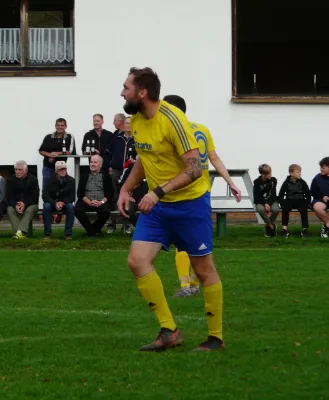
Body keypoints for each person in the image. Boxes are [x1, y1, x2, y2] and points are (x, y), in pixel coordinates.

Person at [118, 67, 224, 352]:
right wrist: (126, 188)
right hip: (160, 208)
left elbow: (194, 169)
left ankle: (215, 337)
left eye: (126, 87)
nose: (122, 92)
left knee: (203, 270)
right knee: (137, 261)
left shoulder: (173, 119)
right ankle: (169, 331)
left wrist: (156, 191)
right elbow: (144, 158)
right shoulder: (136, 119)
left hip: (190, 205)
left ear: (142, 93)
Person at [162, 94, 242, 298]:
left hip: (182, 193)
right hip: (202, 192)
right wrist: (231, 182)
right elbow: (214, 158)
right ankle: (195, 284)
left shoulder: (173, 133)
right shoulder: (202, 129)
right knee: (197, 241)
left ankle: (186, 285)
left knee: (181, 241)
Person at [106, 116, 136, 234]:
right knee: (114, 196)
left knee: (127, 198)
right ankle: (111, 224)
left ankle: (126, 224)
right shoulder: (116, 138)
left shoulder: (137, 139)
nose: (128, 125)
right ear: (123, 124)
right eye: (127, 123)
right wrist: (109, 166)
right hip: (116, 171)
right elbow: (107, 153)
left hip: (130, 172)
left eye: (131, 123)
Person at [74, 155, 113, 237]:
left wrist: (101, 202)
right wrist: (89, 202)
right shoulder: (84, 175)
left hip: (101, 201)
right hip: (86, 201)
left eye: (95, 162)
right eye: (91, 162)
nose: (92, 164)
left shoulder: (106, 176)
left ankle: (93, 229)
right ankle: (92, 232)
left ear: (101, 165)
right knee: (77, 210)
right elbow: (80, 193)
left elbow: (110, 193)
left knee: (106, 211)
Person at [38, 118, 76, 190]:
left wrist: (57, 154)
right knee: (46, 188)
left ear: (65, 126)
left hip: (61, 168)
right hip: (47, 167)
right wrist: (49, 154)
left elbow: (70, 152)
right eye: (58, 125)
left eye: (62, 125)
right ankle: (47, 202)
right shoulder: (48, 137)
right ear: (55, 126)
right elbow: (41, 151)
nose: (60, 127)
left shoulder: (70, 137)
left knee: (61, 189)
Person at [6, 160, 40, 240]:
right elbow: (9, 196)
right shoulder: (11, 180)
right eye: (16, 169)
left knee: (29, 210)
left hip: (31, 204)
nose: (17, 171)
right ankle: (20, 233)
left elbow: (35, 197)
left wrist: (24, 203)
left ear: (26, 171)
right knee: (10, 209)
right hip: (15, 204)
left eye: (20, 170)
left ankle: (20, 232)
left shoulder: (33, 180)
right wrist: (15, 205)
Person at [42, 161, 76, 240]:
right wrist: (55, 203)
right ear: (56, 171)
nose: (63, 171)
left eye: (64, 169)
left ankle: (68, 234)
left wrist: (62, 202)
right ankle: (47, 233)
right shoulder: (49, 180)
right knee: (46, 206)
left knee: (70, 207)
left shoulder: (71, 180)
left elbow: (72, 197)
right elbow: (45, 196)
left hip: (65, 203)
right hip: (52, 203)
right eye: (61, 169)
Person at [278, 164, 311, 238]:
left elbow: (308, 193)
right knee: (285, 209)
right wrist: (282, 203)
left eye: (300, 172)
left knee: (303, 209)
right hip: (289, 200)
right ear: (291, 173)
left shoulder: (302, 182)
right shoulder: (286, 183)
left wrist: (307, 202)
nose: (300, 174)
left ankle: (305, 229)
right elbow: (281, 194)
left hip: (300, 199)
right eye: (298, 172)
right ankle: (284, 229)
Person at [253, 164, 280, 237]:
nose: (270, 175)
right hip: (260, 201)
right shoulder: (256, 182)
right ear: (262, 174)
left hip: (272, 200)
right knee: (260, 209)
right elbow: (257, 196)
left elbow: (273, 194)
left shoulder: (274, 180)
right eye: (268, 174)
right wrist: (265, 203)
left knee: (276, 210)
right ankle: (271, 226)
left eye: (270, 172)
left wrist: (268, 203)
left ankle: (267, 226)